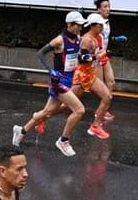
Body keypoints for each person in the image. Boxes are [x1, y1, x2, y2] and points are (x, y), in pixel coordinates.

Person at [13, 11, 85, 157]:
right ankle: (63, 140)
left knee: (47, 112)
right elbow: (40, 53)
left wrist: (84, 57)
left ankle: (21, 131)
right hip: (58, 82)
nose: (80, 28)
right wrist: (50, 70)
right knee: (79, 110)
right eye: (78, 25)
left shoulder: (78, 38)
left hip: (69, 79)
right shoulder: (59, 40)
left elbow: (74, 56)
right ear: (70, 24)